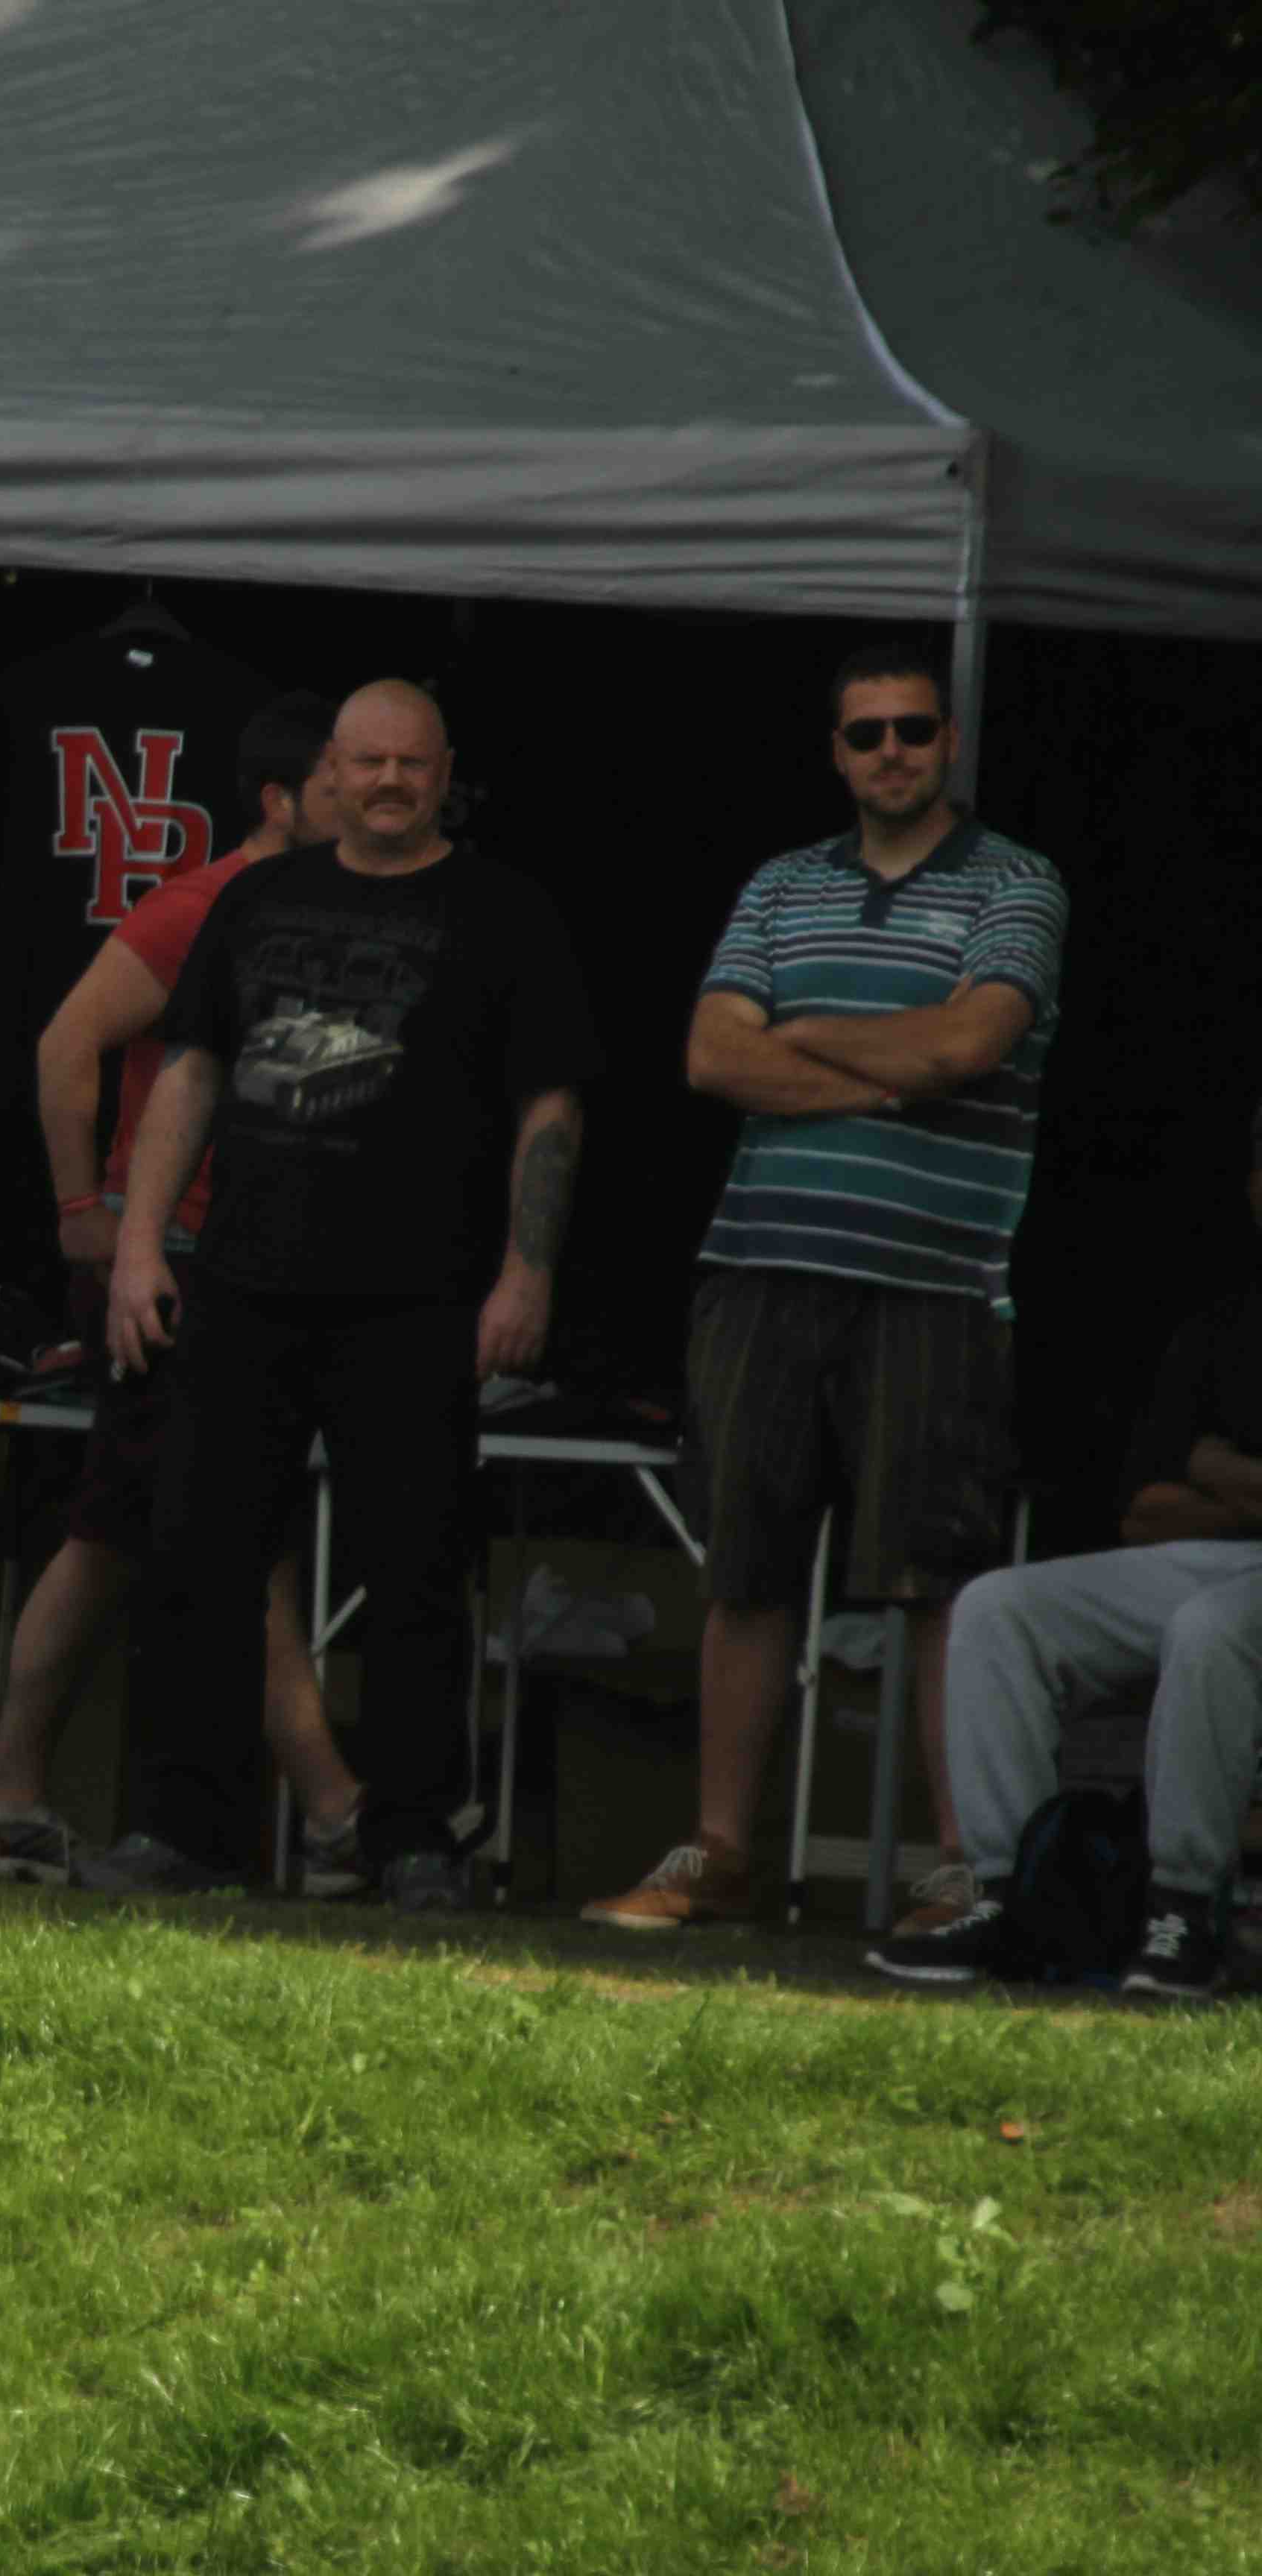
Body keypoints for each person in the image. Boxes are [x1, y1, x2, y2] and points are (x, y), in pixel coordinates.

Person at [584, 643, 1065, 1937]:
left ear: (948, 740)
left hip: (932, 1279)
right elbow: (707, 1057)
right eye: (866, 734)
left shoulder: (1015, 882)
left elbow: (971, 1040)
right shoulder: (780, 883)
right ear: (835, 754)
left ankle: (960, 1864)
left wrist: (797, 1036)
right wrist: (891, 1077)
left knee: (934, 1582)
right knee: (743, 1569)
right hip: (760, 1267)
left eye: (912, 729)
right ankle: (719, 1855)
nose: (891, 752)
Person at [101, 680, 599, 1907]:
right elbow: (189, 1071)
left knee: (416, 1572)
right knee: (198, 1558)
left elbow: (549, 1103)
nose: (386, 783)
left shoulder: (504, 910)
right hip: (240, 1282)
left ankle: (414, 1838)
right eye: (366, 762)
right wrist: (137, 1246)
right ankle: (185, 1834)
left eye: (409, 765)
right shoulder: (256, 898)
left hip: (416, 1297)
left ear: (444, 774)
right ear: (328, 768)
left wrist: (526, 1268)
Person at [0, 695, 362, 1888]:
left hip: (252, 1267)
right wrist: (86, 1211)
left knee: (146, 1536)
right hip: (168, 1267)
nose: (367, 800)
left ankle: (9, 1802)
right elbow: (64, 1043)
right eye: (341, 782)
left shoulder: (321, 908)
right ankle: (335, 1814)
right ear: (282, 800)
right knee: (171, 1537)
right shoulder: (203, 904)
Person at [871, 1111, 1262, 1999]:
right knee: (998, 1607)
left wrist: (1219, 1469)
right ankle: (1012, 1898)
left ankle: (1184, 1910)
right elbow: (1145, 1512)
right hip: (1216, 1562)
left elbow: (1189, 1475)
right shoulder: (1223, 1324)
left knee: (1210, 1627)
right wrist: (1222, 1485)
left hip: (1225, 1589)